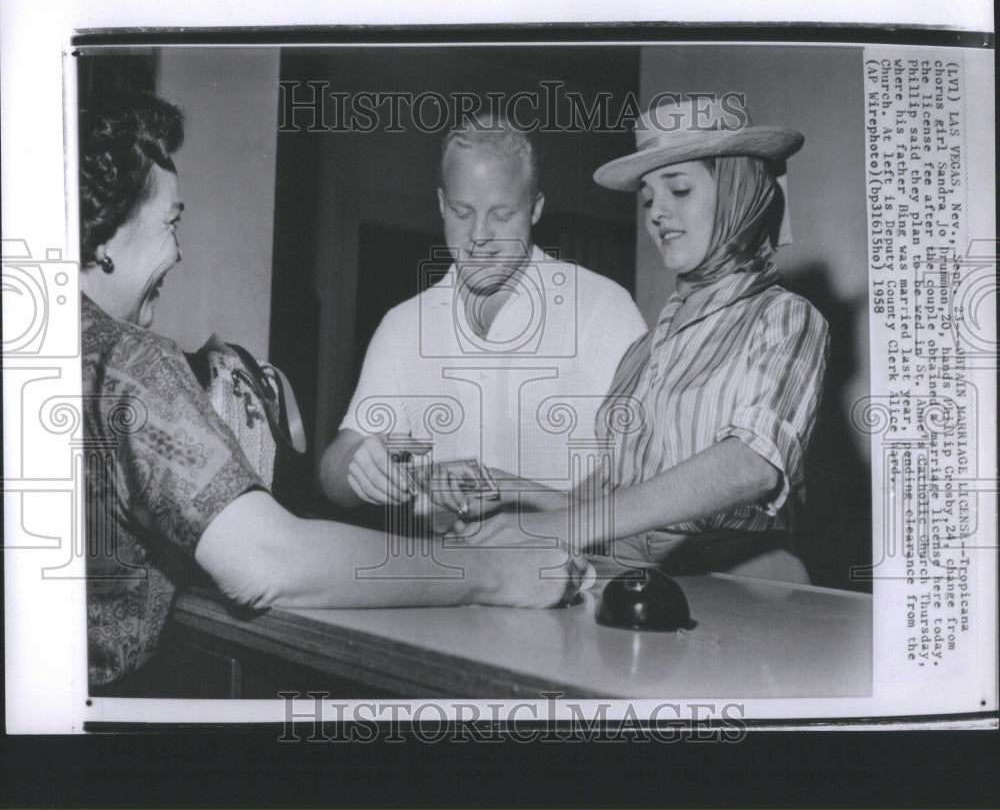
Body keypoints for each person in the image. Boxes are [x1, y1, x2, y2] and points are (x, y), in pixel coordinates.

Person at [79, 88, 584, 692]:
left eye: (501, 214)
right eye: (170, 224)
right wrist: (496, 573)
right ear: (104, 239)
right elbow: (268, 560)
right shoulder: (128, 360)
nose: (181, 251)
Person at [455, 97, 829, 583]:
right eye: (649, 198)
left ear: (740, 192)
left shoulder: (784, 318)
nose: (658, 213)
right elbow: (610, 503)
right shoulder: (645, 349)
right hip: (640, 572)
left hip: (744, 586)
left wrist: (561, 526)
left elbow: (750, 465)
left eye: (679, 189)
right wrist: (512, 491)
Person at [320, 115, 647, 530]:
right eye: (462, 212)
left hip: (578, 572)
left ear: (535, 209)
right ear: (441, 204)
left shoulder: (604, 309)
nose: (479, 236)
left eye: (501, 214)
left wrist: (515, 495)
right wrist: (359, 463)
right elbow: (333, 472)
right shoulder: (403, 326)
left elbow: (643, 482)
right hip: (444, 575)